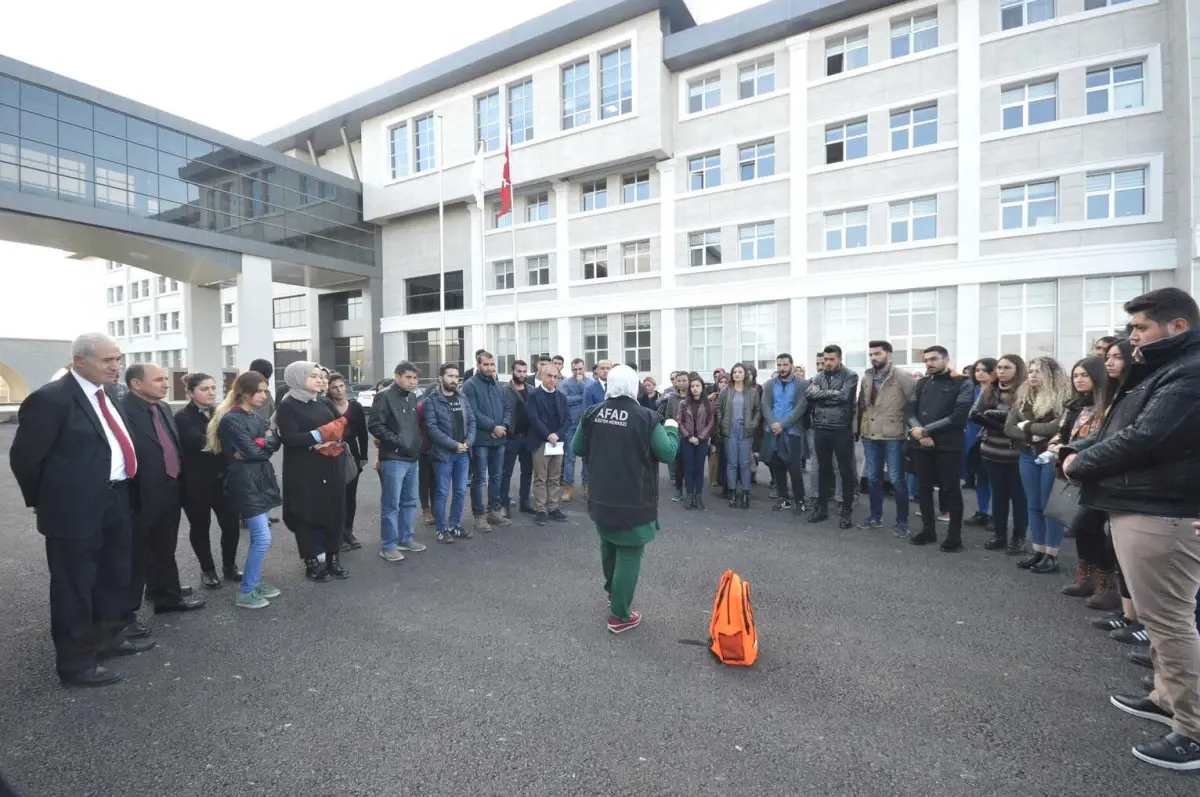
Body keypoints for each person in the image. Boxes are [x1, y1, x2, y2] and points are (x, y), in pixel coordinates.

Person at [1063, 288, 1200, 771]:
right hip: (1142, 503)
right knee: (1160, 617)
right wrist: (1082, 451)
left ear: (1177, 326)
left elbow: (1147, 438)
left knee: (1170, 621)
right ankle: (1168, 699)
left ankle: (1194, 730)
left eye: (1141, 328)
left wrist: (1081, 461)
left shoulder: (1189, 372)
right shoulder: (1164, 369)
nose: (1131, 337)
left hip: (1164, 510)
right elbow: (1121, 426)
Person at [9, 333, 150, 687]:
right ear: (79, 361)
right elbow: (25, 459)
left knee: (113, 576)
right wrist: (47, 501)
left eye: (117, 358)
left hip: (117, 500)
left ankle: (107, 638)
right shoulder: (50, 399)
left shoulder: (110, 395)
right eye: (107, 360)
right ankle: (75, 663)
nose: (115, 366)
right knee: (75, 586)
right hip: (73, 510)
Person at [573, 364, 680, 633]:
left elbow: (576, 447)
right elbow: (667, 453)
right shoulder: (646, 417)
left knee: (608, 543)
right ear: (633, 386)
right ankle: (620, 615)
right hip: (634, 499)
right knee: (630, 552)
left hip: (600, 495)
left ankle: (613, 592)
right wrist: (672, 429)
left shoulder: (592, 413)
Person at [120, 363, 205, 625]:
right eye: (158, 380)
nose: (166, 384)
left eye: (165, 379)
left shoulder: (163, 408)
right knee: (137, 553)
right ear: (136, 384)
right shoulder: (122, 410)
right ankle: (125, 616)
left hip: (170, 486)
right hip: (140, 492)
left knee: (165, 545)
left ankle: (166, 595)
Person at [205, 371, 284, 609]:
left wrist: (261, 443)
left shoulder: (255, 416)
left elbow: (275, 441)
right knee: (262, 538)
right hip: (244, 482)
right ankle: (247, 591)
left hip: (259, 479)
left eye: (265, 390)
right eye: (258, 390)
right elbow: (254, 451)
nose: (263, 395)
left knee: (260, 539)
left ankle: (253, 582)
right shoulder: (232, 419)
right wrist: (261, 444)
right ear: (243, 391)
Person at [274, 361, 350, 581]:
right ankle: (311, 562)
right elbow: (288, 438)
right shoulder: (288, 405)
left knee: (335, 511)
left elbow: (341, 425)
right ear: (297, 378)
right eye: (313, 376)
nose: (320, 380)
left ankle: (333, 559)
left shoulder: (323, 402)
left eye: (320, 376)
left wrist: (330, 438)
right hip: (305, 469)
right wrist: (318, 435)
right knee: (306, 513)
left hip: (331, 463)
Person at [1049, 357, 1111, 598]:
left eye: (1085, 375)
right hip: (1069, 471)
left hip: (1096, 473)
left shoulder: (1108, 405)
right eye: (1076, 375)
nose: (1079, 379)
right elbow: (1061, 431)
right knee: (1081, 527)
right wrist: (1055, 446)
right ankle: (1085, 577)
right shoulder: (1073, 405)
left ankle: (1106, 585)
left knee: (1096, 528)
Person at [176, 373, 243, 589]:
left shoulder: (221, 412)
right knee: (200, 527)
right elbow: (201, 444)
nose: (211, 392)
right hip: (196, 483)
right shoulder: (183, 417)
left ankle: (229, 566)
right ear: (190, 392)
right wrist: (231, 443)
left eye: (213, 388)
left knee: (231, 524)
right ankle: (208, 570)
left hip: (224, 480)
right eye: (204, 389)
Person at [1005, 356, 1071, 573]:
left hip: (1051, 456)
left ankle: (1051, 555)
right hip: (1027, 453)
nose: (1032, 375)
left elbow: (1057, 429)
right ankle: (1038, 551)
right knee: (1033, 505)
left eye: (1037, 371)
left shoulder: (1063, 398)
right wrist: (1030, 433)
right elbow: (1009, 428)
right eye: (1031, 370)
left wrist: (1028, 428)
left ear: (1050, 374)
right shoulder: (1023, 397)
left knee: (1048, 507)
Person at [905, 346, 974, 551]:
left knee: (950, 490)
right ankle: (928, 531)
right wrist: (917, 430)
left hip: (948, 445)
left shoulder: (962, 383)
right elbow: (909, 410)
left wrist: (925, 431)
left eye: (934, 359)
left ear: (947, 359)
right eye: (926, 360)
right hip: (920, 443)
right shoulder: (922, 382)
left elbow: (958, 416)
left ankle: (954, 537)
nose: (929, 363)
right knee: (923, 488)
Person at [970, 355, 1028, 555]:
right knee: (999, 495)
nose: (1001, 371)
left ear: (1018, 369)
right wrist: (1002, 426)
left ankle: (1019, 538)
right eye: (999, 367)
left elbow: (1022, 420)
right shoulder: (990, 390)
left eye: (1007, 368)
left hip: (1016, 453)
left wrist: (991, 417)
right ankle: (999, 534)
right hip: (990, 450)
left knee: (1019, 498)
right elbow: (974, 414)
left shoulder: (1025, 391)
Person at [370, 361, 426, 563]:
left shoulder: (412, 397)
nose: (412, 381)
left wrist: (414, 444)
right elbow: (375, 425)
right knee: (391, 504)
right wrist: (399, 441)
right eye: (408, 377)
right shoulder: (384, 396)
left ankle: (406, 538)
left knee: (410, 501)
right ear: (397, 376)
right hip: (393, 458)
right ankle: (388, 546)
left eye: (415, 378)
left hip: (412, 457)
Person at [858, 341, 915, 536]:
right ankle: (875, 517)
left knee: (897, 480)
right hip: (870, 434)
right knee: (873, 478)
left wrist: (913, 430)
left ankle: (902, 522)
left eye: (877, 354)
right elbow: (862, 405)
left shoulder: (903, 377)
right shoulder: (866, 376)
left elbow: (912, 405)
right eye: (871, 354)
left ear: (889, 355)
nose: (873, 357)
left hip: (893, 436)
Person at [807, 345, 859, 527]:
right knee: (823, 469)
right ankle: (821, 508)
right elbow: (808, 395)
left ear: (839, 359)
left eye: (831, 360)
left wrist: (819, 395)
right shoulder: (818, 377)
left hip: (841, 429)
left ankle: (846, 511)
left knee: (845, 471)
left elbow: (844, 396)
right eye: (825, 360)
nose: (827, 363)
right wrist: (829, 395)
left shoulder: (850, 375)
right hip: (820, 427)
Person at [424, 364, 475, 544]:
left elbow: (472, 421)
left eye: (456, 376)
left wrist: (467, 443)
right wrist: (454, 445)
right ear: (440, 378)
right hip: (443, 454)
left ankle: (455, 526)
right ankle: (441, 530)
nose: (454, 380)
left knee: (460, 491)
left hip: (463, 453)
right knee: (442, 493)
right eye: (450, 376)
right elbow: (432, 429)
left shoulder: (462, 397)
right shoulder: (432, 401)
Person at [461, 351, 512, 531]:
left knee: (497, 476)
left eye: (492, 365)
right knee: (479, 478)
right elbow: (472, 412)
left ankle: (493, 511)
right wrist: (492, 427)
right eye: (486, 365)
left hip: (499, 439)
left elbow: (507, 408)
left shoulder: (499, 386)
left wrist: (503, 426)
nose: (490, 368)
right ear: (478, 365)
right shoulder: (470, 385)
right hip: (481, 440)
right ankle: (479, 515)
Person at [761, 353, 809, 514]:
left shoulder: (802, 384)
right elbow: (765, 406)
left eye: (785, 365)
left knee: (794, 467)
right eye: (779, 365)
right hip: (773, 430)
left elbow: (801, 407)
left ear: (792, 365)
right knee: (777, 465)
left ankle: (800, 500)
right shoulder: (769, 384)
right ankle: (784, 499)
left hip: (792, 431)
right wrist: (774, 424)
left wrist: (783, 424)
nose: (782, 368)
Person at [326, 372, 369, 551]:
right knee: (335, 497)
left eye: (341, 386)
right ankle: (336, 535)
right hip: (331, 455)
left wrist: (364, 457)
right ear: (328, 389)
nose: (339, 390)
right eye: (334, 387)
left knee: (350, 496)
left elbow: (363, 434)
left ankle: (348, 531)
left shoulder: (355, 407)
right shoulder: (325, 407)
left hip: (352, 455)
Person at [526, 365, 571, 526]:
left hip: (557, 443)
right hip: (541, 442)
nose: (552, 379)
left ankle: (553, 507)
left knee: (555, 477)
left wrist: (557, 434)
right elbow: (533, 418)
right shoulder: (533, 395)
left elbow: (567, 419)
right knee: (540, 477)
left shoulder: (561, 397)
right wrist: (548, 434)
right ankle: (540, 509)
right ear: (542, 376)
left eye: (555, 377)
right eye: (549, 376)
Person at [715, 363, 761, 509]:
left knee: (744, 464)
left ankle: (746, 493)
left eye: (740, 372)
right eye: (734, 372)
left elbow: (758, 410)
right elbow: (718, 408)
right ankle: (732, 493)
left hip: (745, 430)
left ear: (745, 374)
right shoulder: (726, 391)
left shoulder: (752, 392)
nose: (737, 374)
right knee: (732, 463)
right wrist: (722, 423)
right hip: (730, 430)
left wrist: (753, 423)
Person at [963, 359, 997, 530]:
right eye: (977, 369)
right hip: (971, 437)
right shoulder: (971, 389)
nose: (980, 373)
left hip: (993, 438)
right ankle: (982, 511)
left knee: (994, 478)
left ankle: (994, 514)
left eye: (986, 370)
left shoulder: (1000, 391)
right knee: (979, 477)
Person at [501, 360, 535, 517]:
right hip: (511, 437)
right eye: (519, 371)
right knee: (505, 472)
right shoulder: (504, 390)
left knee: (527, 471)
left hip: (528, 436)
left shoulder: (532, 390)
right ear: (512, 371)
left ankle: (525, 501)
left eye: (524, 371)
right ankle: (504, 504)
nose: (522, 375)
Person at [676, 372, 714, 510]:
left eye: (698, 386)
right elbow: (679, 421)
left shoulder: (708, 403)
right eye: (692, 386)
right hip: (687, 440)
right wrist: (688, 436)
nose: (695, 388)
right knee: (688, 468)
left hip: (701, 441)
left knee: (699, 469)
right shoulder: (684, 403)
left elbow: (710, 422)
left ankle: (698, 496)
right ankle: (689, 495)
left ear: (702, 387)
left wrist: (701, 437)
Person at [560, 358, 592, 502]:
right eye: (575, 369)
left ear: (584, 368)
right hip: (571, 425)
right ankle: (568, 487)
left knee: (587, 458)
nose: (577, 372)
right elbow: (563, 400)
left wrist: (581, 385)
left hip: (586, 424)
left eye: (580, 369)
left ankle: (587, 486)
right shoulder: (565, 383)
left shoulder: (590, 383)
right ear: (571, 369)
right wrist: (580, 397)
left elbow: (591, 400)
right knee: (569, 458)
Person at [579, 359, 612, 500]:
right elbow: (587, 412)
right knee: (591, 462)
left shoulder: (616, 387)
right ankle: (588, 487)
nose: (605, 371)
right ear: (596, 371)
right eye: (602, 368)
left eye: (608, 368)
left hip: (613, 432)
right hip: (596, 432)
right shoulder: (590, 388)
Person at [660, 371, 690, 502]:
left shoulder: (692, 397)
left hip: (690, 434)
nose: (681, 383)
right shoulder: (672, 398)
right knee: (677, 464)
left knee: (689, 464)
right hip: (676, 433)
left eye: (684, 380)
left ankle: (691, 491)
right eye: (679, 381)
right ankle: (678, 490)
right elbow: (668, 417)